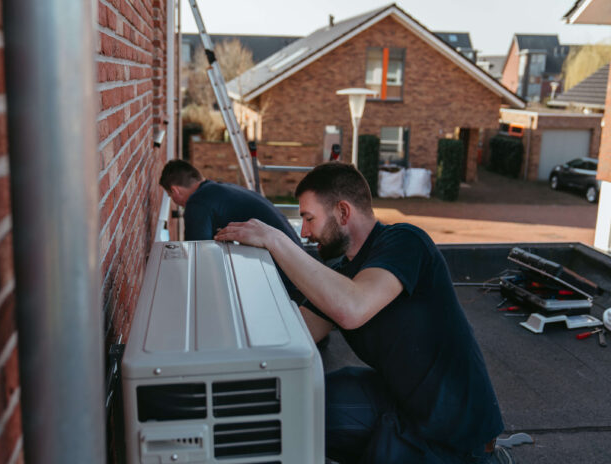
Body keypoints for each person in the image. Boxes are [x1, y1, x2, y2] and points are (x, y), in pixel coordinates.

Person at [215, 162, 506, 464]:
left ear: (343, 212)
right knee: (291, 405)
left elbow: (352, 308)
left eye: (309, 218)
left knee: (310, 417)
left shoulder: (406, 241)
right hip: (402, 405)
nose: (304, 232)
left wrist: (276, 241)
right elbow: (293, 333)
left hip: (454, 434)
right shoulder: (342, 272)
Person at [159, 159, 305, 303]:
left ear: (174, 190)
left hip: (287, 280)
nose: (174, 200)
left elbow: (197, 257)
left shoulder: (198, 201)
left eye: (171, 196)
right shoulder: (219, 189)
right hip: (298, 261)